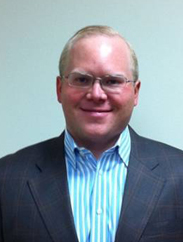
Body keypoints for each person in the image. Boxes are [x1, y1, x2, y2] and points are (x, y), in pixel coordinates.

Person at [0, 25, 183, 242]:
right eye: (82, 80)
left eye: (112, 81)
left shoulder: (179, 175)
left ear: (135, 92)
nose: (96, 94)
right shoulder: (7, 178)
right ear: (60, 89)